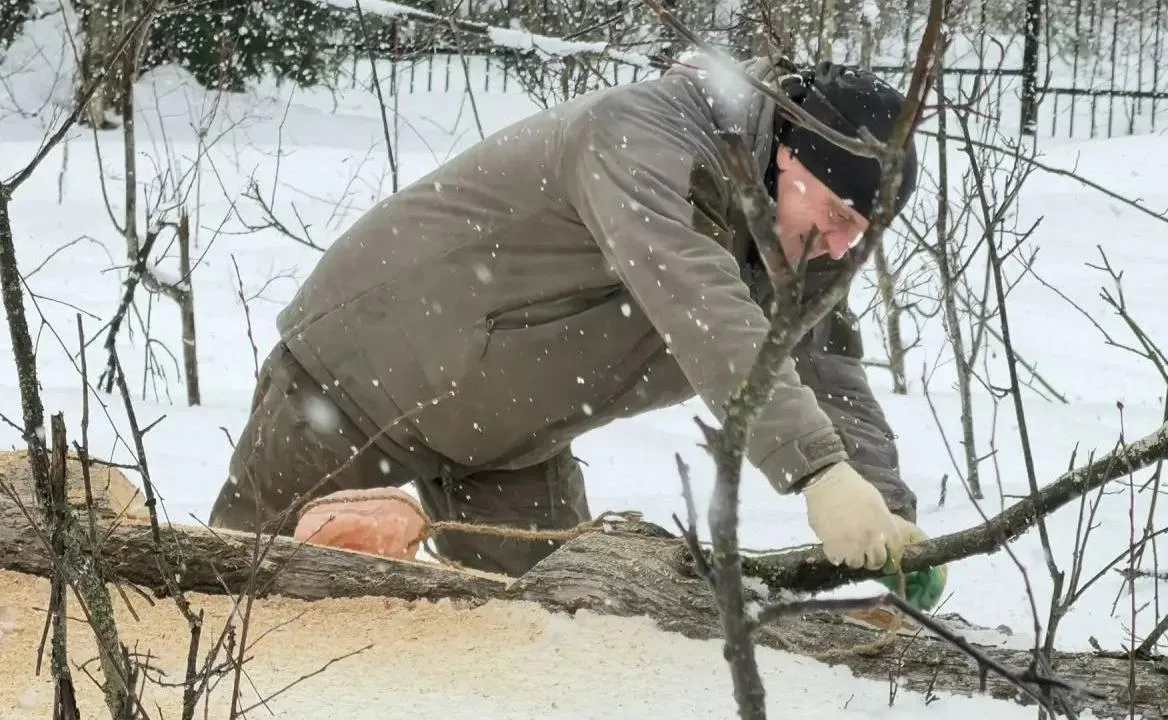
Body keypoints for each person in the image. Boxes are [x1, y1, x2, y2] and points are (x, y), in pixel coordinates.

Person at [208, 54, 946, 608]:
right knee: (234, 600)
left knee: (555, 629)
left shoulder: (802, 241)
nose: (847, 246)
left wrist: (888, 520)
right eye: (844, 217)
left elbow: (827, 365)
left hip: (508, 443)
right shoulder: (646, 138)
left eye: (866, 232)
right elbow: (701, 301)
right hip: (360, 376)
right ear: (793, 158)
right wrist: (816, 470)